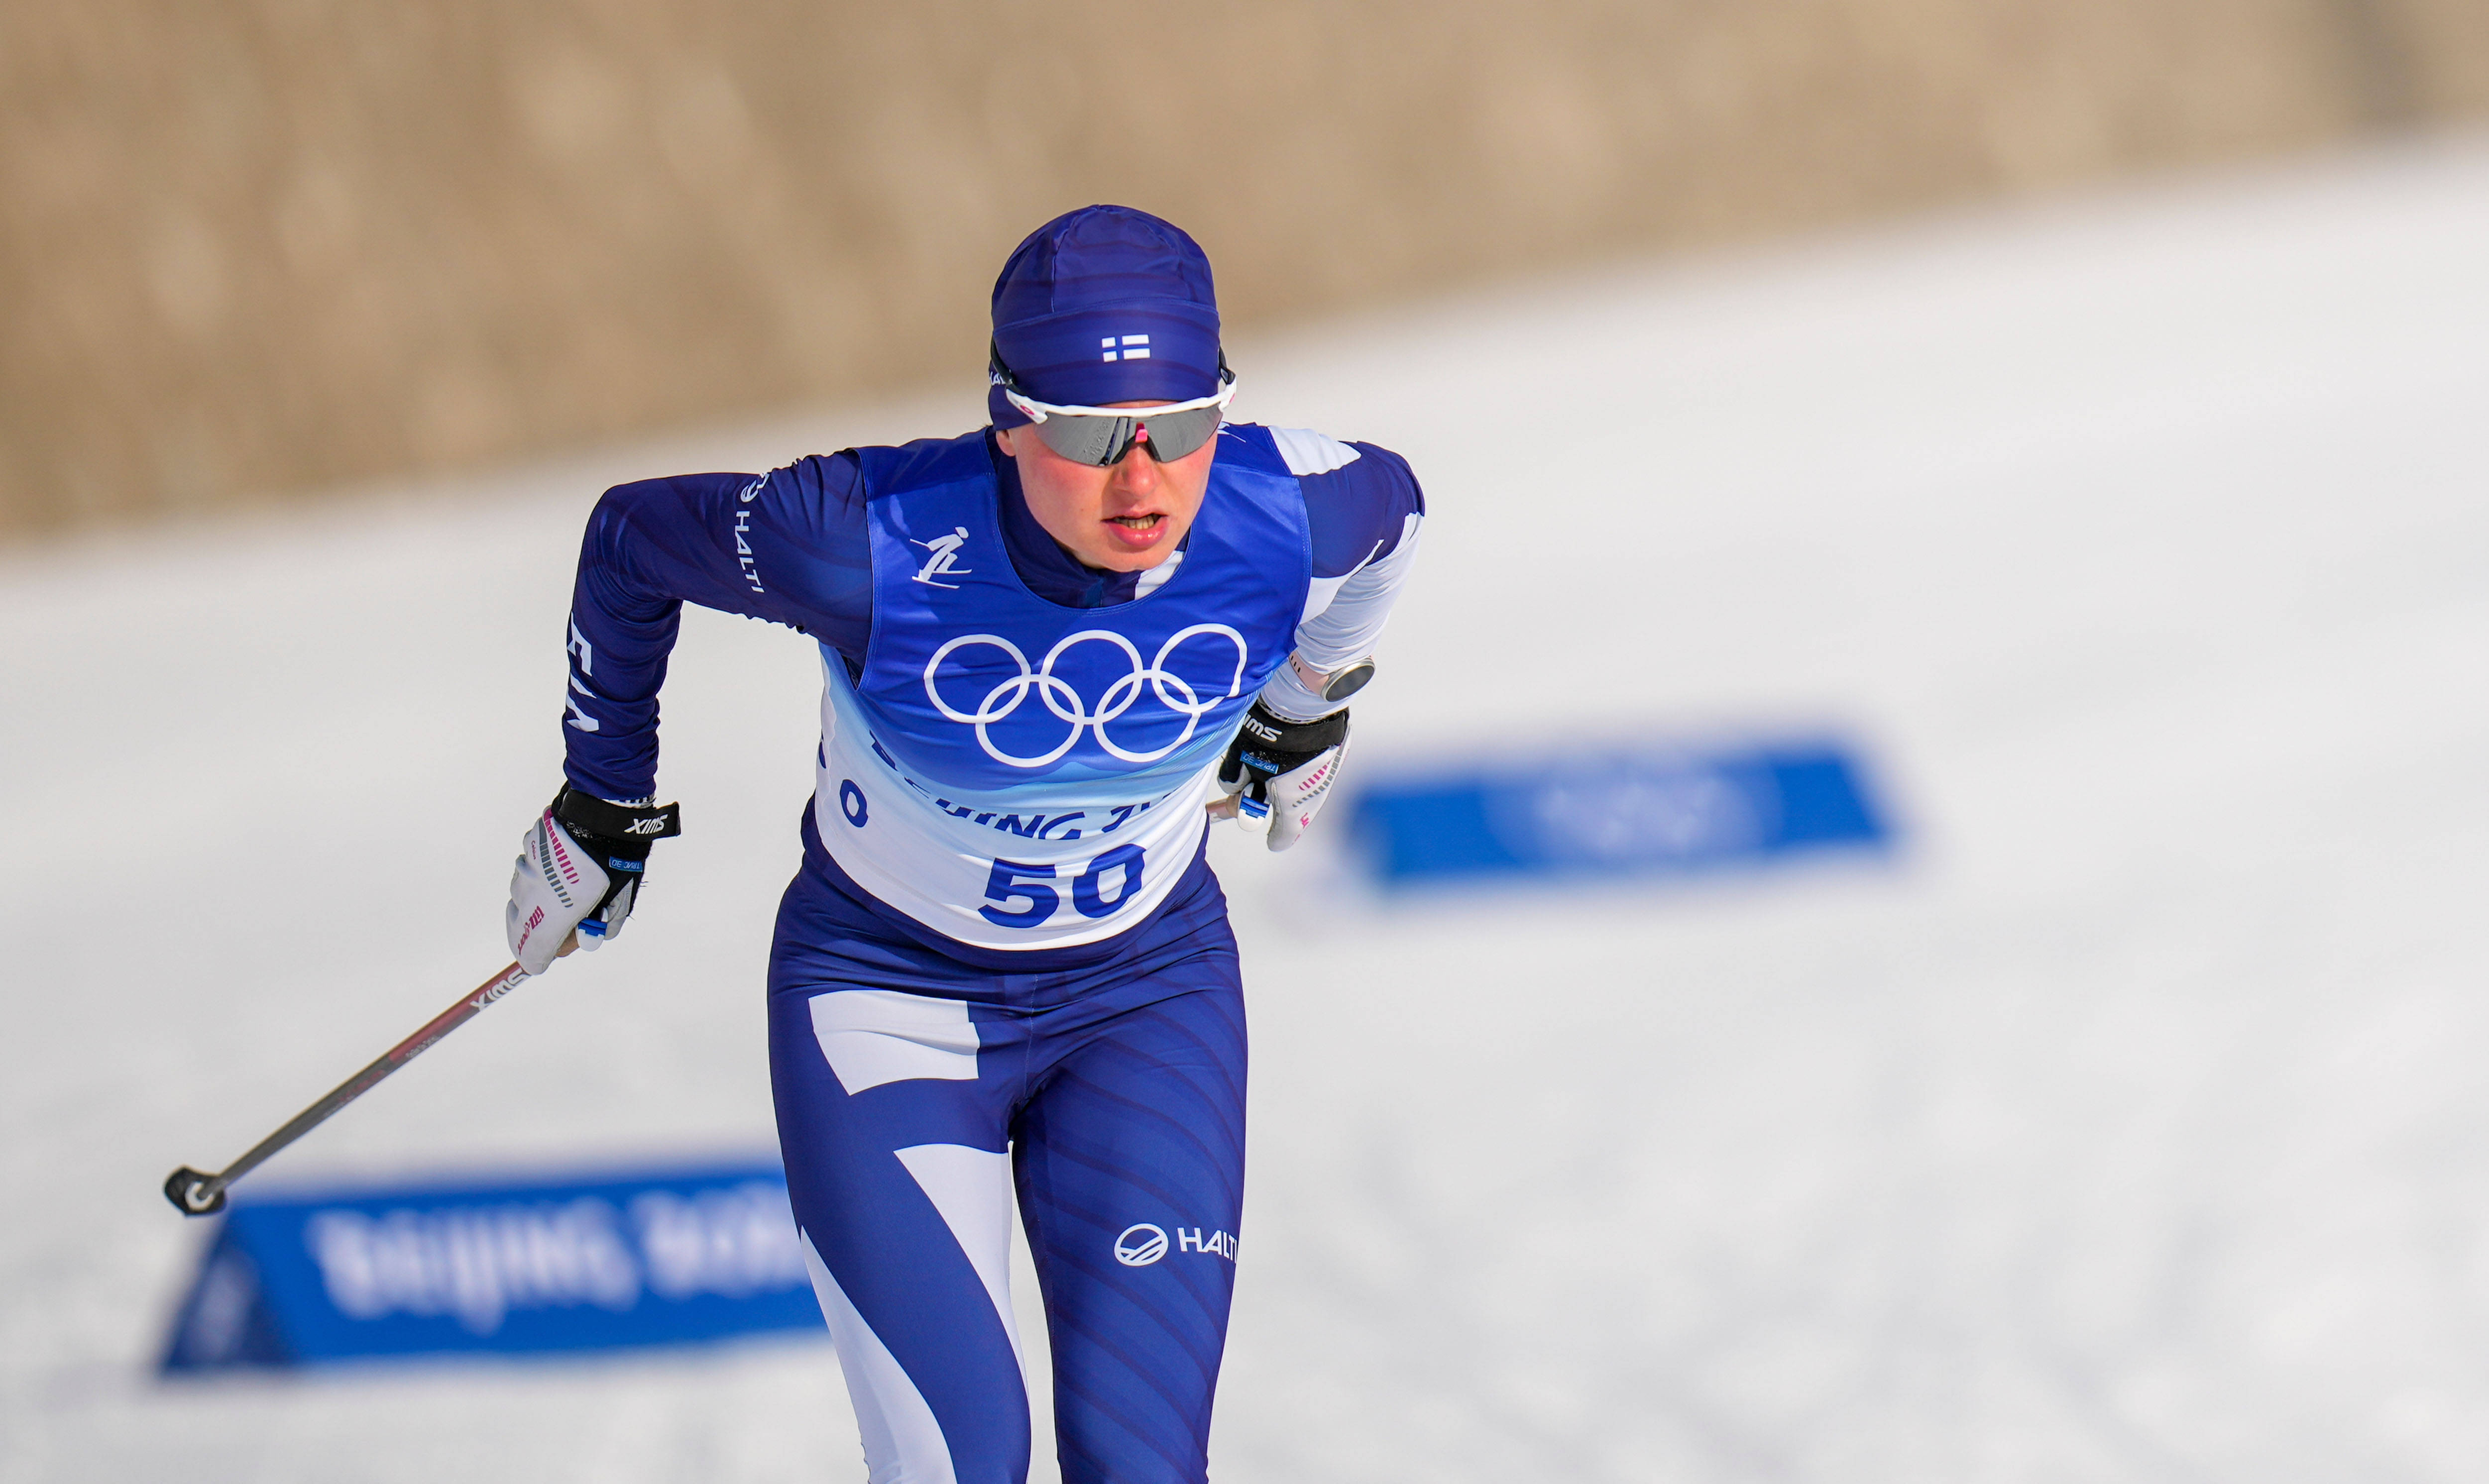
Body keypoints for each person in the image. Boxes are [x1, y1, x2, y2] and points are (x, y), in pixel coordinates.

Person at [504, 206, 1424, 1484]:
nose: (1144, 480)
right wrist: (601, 802)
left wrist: (1308, 698)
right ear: (1007, 418)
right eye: (1093, 437)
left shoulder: (1295, 508)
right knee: (961, 1459)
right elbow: (628, 543)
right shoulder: (860, 536)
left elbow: (1396, 526)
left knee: (1143, 1465)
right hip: (889, 1004)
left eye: (1187, 425)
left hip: (1146, 997)